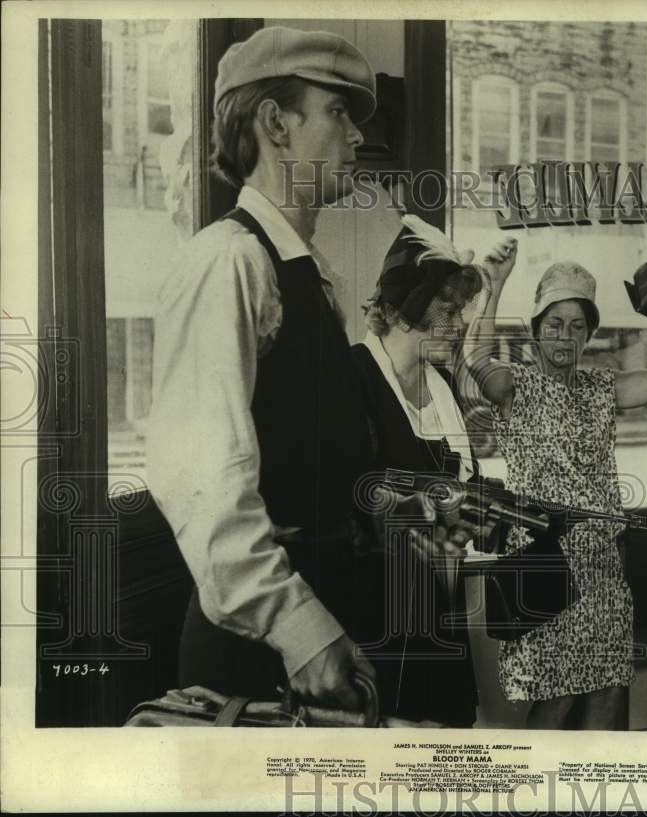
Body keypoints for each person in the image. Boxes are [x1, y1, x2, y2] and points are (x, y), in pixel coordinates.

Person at [147, 27, 475, 715]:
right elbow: (201, 484)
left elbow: (307, 460)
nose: (357, 134)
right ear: (275, 124)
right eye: (337, 112)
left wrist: (399, 518)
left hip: (323, 629)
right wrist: (299, 629)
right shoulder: (230, 261)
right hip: (258, 654)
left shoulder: (307, 274)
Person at [463, 249, 647, 730]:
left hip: (603, 569)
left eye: (577, 325)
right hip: (546, 567)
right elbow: (475, 359)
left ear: (589, 332)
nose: (565, 336)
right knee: (554, 702)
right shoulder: (515, 386)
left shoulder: (604, 386)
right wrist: (494, 286)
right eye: (555, 323)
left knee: (606, 693)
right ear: (537, 327)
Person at [348, 215, 506, 726]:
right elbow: (346, 498)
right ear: (400, 308)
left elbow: (459, 487)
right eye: (447, 308)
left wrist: (491, 507)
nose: (458, 324)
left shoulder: (439, 387)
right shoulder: (353, 376)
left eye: (461, 311)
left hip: (438, 608)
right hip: (371, 614)